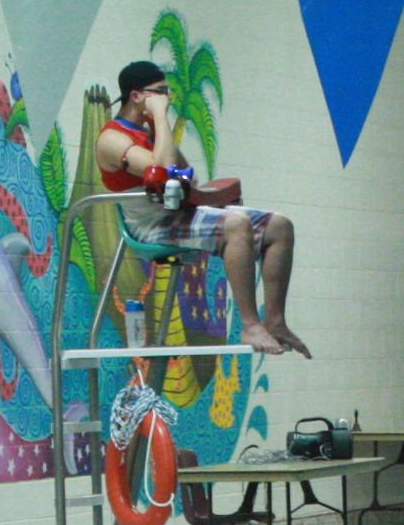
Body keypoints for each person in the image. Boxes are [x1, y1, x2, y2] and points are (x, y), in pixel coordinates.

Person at [97, 60, 308, 359]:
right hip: (149, 226)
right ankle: (250, 324)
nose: (166, 99)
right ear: (136, 96)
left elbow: (185, 173)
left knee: (280, 226)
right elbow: (162, 171)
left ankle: (275, 320)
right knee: (235, 224)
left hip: (175, 213)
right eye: (160, 92)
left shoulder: (152, 132)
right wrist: (159, 117)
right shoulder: (111, 137)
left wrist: (159, 127)